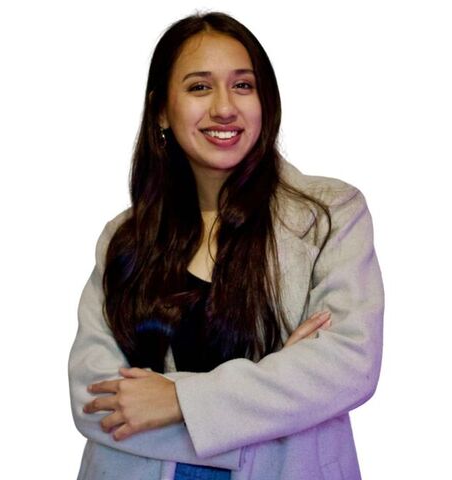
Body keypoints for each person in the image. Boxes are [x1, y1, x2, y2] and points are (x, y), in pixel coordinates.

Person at [68, 11, 384, 480]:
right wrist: (275, 396)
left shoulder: (330, 214)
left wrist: (178, 401)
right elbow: (94, 399)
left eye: (242, 85)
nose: (224, 108)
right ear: (161, 110)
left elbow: (347, 366)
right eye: (199, 87)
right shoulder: (125, 238)